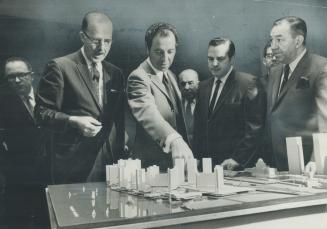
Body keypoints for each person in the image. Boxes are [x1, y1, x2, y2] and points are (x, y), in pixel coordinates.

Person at [35, 11, 125, 184]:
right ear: (82, 37)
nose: (102, 48)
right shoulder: (60, 67)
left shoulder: (115, 73)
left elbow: (118, 120)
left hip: (110, 162)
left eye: (107, 41)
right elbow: (41, 113)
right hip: (73, 165)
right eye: (96, 41)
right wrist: (73, 121)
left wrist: (120, 150)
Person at [127, 22, 193, 171]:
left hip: (175, 166)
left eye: (170, 51)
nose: (165, 58)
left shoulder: (171, 75)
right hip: (151, 168)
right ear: (147, 49)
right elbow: (148, 112)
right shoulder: (138, 77)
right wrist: (174, 140)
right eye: (159, 52)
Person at [193, 37, 266, 170]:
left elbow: (254, 129)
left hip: (235, 167)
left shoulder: (249, 83)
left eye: (220, 59)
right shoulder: (203, 87)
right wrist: (196, 157)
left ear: (232, 59)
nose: (214, 63)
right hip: (206, 168)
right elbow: (198, 129)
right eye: (210, 59)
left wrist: (238, 159)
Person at [266, 16, 327, 171]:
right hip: (277, 164)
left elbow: (325, 120)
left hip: (309, 166)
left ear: (298, 41)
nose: (273, 46)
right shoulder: (275, 71)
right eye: (272, 40)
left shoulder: (321, 68)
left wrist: (316, 160)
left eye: (279, 40)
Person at [0, 57, 48, 227]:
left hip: (51, 174)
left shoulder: (48, 96)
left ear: (32, 75)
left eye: (21, 75)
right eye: (11, 77)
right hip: (19, 178)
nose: (17, 80)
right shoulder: (2, 104)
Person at [178, 69, 199, 149]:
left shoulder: (207, 103)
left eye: (190, 83)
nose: (186, 87)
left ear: (198, 84)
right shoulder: (176, 105)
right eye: (183, 84)